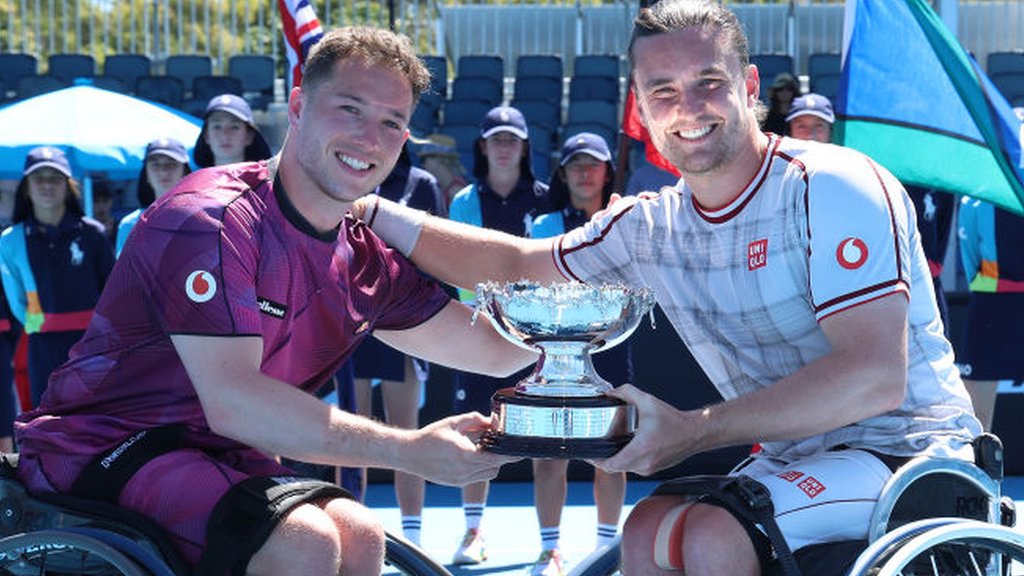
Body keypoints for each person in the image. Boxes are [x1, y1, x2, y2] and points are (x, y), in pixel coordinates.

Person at [355, 1, 981, 574]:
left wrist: (696, 429)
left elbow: (874, 376)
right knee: (646, 529)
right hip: (794, 459)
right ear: (641, 109)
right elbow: (522, 264)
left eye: (709, 81)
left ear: (750, 86)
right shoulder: (651, 224)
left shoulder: (833, 184)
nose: (689, 106)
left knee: (711, 535)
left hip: (912, 455)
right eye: (664, 90)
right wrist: (367, 210)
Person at [13, 26, 534, 576]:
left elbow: (491, 349)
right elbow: (235, 401)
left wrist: (587, 327)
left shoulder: (363, 258)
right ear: (298, 105)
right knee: (305, 542)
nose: (369, 138)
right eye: (351, 109)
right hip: (100, 449)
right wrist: (408, 449)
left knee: (360, 534)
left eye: (391, 123)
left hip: (214, 451)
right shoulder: (210, 218)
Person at [446, 104, 552, 566]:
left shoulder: (547, 198)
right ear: (483, 146)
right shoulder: (463, 201)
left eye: (512, 139)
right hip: (482, 334)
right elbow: (459, 272)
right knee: (478, 433)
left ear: (525, 146)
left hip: (540, 339)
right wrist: (492, 318)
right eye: (496, 139)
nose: (504, 147)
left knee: (551, 441)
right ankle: (472, 532)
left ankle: (551, 546)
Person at [526, 132, 633, 576]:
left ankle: (604, 551)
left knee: (613, 456)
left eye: (593, 165)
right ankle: (549, 549)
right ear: (564, 174)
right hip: (555, 357)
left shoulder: (625, 219)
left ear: (607, 172)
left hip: (613, 352)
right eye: (576, 166)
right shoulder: (544, 224)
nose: (585, 173)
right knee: (550, 456)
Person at [349, 141, 448, 546]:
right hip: (350, 324)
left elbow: (437, 253)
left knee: (407, 436)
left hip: (403, 324)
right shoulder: (348, 176)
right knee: (352, 440)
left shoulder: (421, 183)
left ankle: (412, 541)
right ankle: (354, 538)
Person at [0, 146, 115, 408]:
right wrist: (41, 322)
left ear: (68, 185)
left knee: (96, 417)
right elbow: (17, 302)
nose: (47, 186)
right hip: (41, 347)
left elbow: (112, 292)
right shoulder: (10, 241)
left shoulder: (93, 234)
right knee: (48, 421)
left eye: (55, 178)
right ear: (27, 187)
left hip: (91, 345)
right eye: (39, 179)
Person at [957, 196, 1024, 431]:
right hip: (991, 306)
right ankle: (977, 466)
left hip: (990, 301)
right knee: (976, 420)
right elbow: (970, 260)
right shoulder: (976, 198)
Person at [115, 137, 192, 256]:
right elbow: (125, 273)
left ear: (185, 172)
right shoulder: (130, 224)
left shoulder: (201, 219)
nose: (163, 172)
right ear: (146, 174)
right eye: (155, 165)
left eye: (171, 165)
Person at [193, 93, 273, 168]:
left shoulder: (266, 182)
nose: (225, 135)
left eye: (234, 127)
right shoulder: (192, 182)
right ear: (206, 136)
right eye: (217, 127)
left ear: (249, 136)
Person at [413, 133, 469, 208]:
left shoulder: (455, 192)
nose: (422, 165)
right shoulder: (445, 187)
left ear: (438, 159)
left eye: (423, 160)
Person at [762, 71, 800, 136]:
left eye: (789, 89)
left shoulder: (799, 116)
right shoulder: (767, 118)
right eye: (780, 89)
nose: (784, 92)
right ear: (775, 92)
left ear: (794, 92)